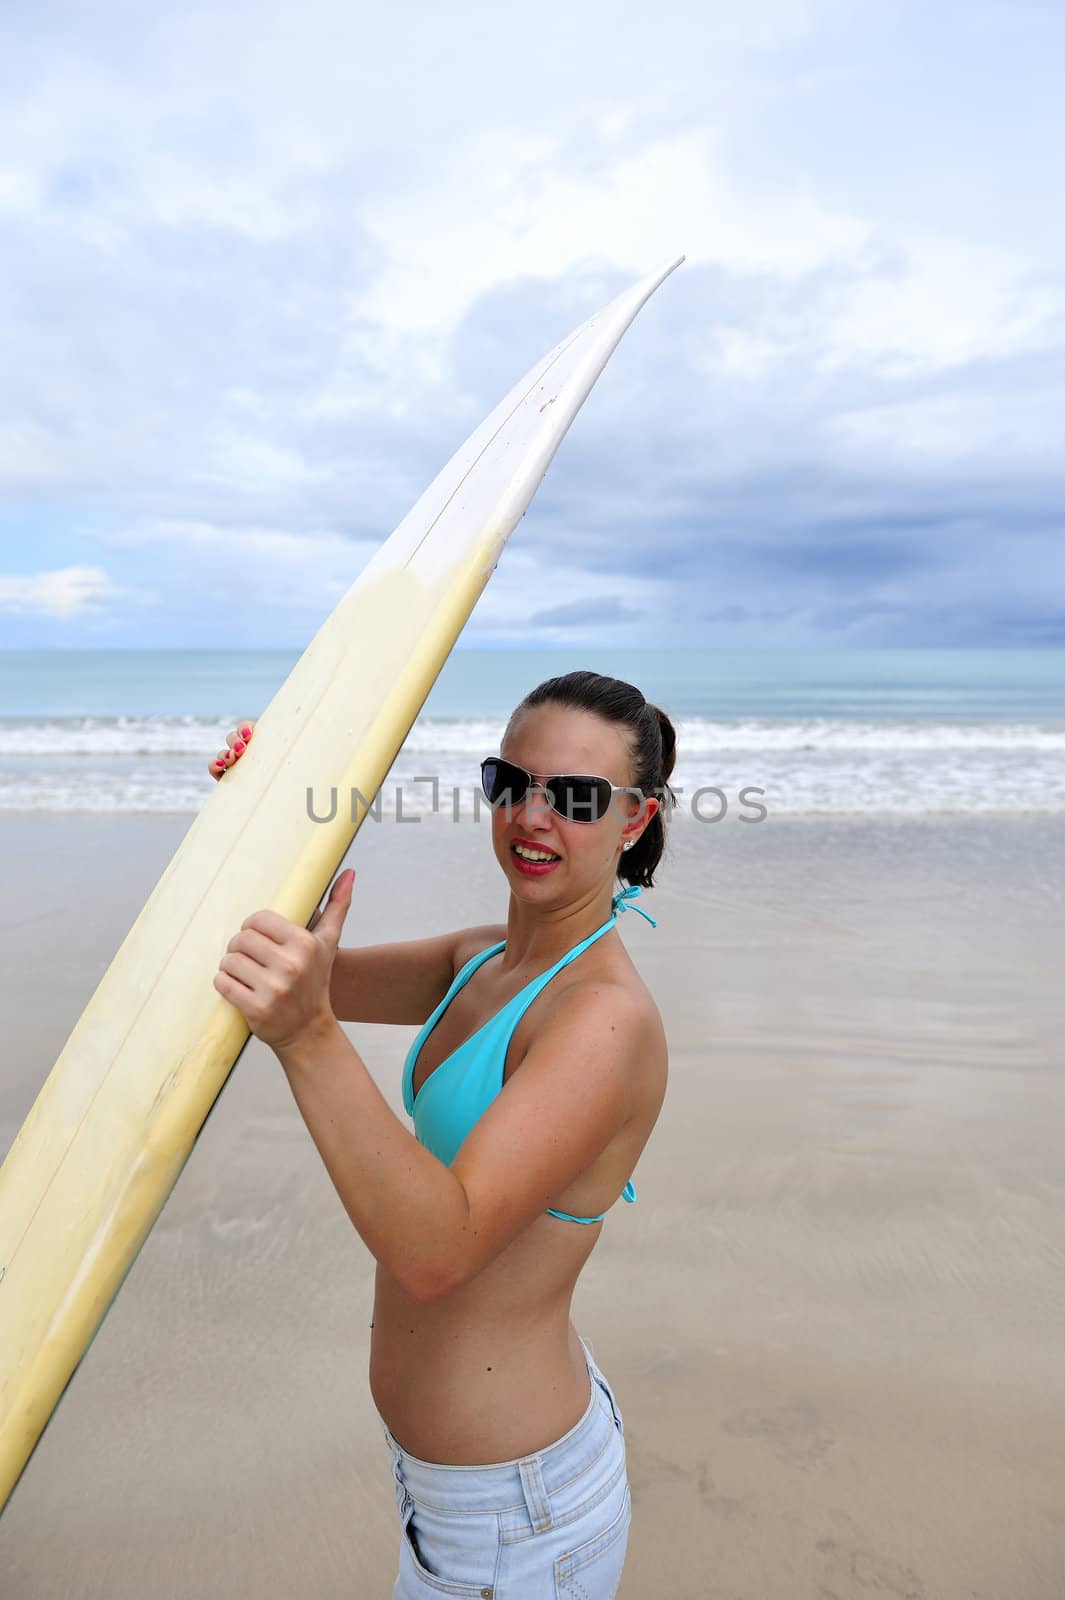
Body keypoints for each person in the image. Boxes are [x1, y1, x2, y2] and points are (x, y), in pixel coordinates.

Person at [208, 669, 675, 1598]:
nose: (532, 818)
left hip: (516, 1517)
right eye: (511, 783)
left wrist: (307, 1037)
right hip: (465, 1492)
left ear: (635, 821)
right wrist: (253, 822)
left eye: (576, 798)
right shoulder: (483, 960)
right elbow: (285, 978)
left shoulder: (602, 1021)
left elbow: (437, 1249)